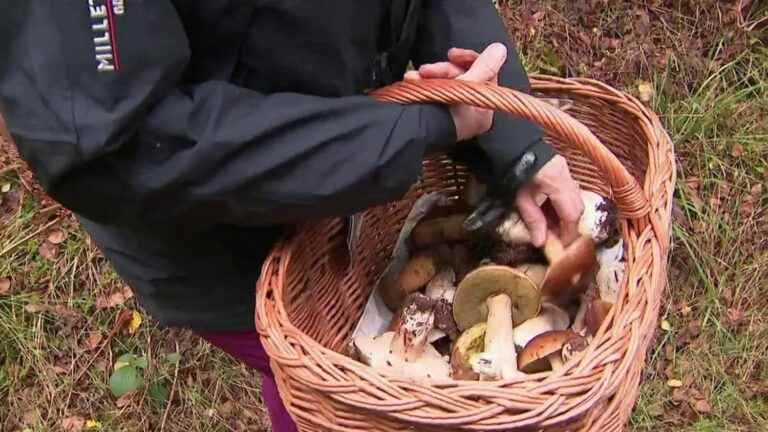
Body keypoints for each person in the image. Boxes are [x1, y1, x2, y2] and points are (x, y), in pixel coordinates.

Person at [0, 1, 583, 430]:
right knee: (319, 383)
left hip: (354, 135)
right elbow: (119, 144)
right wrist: (406, 130)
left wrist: (513, 132)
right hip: (218, 235)